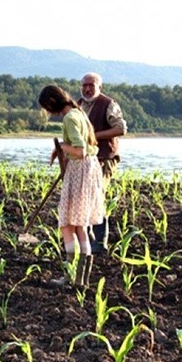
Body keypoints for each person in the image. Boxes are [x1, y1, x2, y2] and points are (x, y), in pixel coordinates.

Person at [38, 85, 105, 287]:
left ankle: (70, 277)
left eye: (47, 108)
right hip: (88, 170)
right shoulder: (79, 112)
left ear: (52, 103)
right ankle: (80, 280)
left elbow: (80, 150)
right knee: (80, 226)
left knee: (68, 224)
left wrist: (61, 147)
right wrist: (60, 150)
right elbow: (87, 146)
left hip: (80, 170)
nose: (48, 112)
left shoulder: (70, 117)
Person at [78, 72, 127, 253]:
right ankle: (88, 238)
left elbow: (121, 128)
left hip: (104, 157)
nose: (87, 88)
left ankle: (100, 242)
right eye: (84, 85)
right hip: (84, 158)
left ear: (99, 87)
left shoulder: (108, 104)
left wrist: (94, 136)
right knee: (84, 196)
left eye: (91, 85)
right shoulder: (78, 105)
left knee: (97, 195)